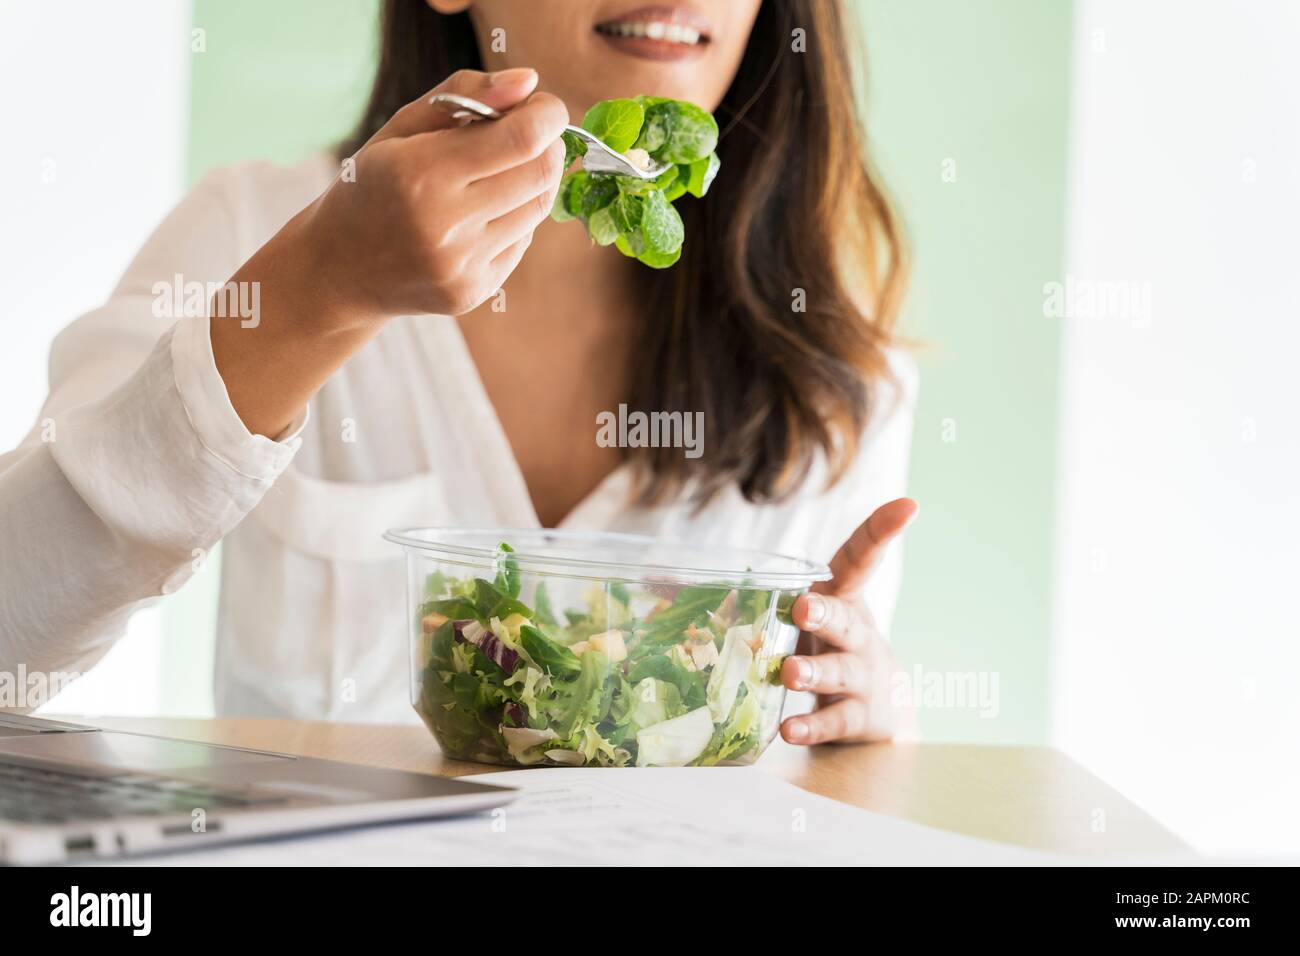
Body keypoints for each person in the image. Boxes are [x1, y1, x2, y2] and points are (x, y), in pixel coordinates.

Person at [0, 0, 917, 746]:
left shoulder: (838, 378)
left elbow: (816, 781)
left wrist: (871, 729)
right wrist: (314, 294)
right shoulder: (249, 230)